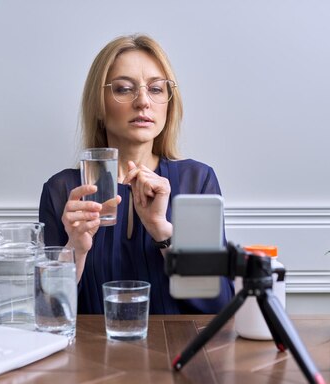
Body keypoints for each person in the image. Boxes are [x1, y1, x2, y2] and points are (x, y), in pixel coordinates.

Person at [39, 34, 234, 314]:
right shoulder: (62, 189)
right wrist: (76, 249)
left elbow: (220, 305)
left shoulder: (197, 180)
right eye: (123, 88)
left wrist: (163, 231)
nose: (143, 101)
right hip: (89, 355)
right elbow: (48, 313)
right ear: (99, 107)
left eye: (156, 89)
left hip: (177, 354)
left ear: (169, 103)